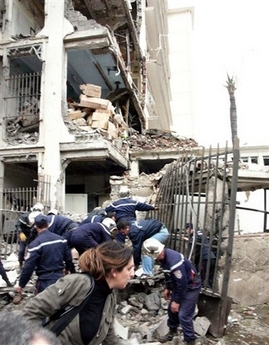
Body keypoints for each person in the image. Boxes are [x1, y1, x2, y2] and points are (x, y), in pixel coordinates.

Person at [21, 241, 134, 345]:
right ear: (114, 271)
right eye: (129, 269)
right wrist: (36, 340)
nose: (132, 274)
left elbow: (108, 334)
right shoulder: (78, 283)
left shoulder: (110, 295)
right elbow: (32, 311)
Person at [142, 238, 201, 345]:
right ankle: (172, 331)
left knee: (183, 315)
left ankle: (190, 340)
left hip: (191, 286)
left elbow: (181, 284)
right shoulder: (163, 259)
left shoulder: (174, 261)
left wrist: (177, 301)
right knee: (171, 310)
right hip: (180, 286)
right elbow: (168, 275)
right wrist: (168, 288)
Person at [17, 214, 75, 295]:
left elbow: (28, 267)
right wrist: (67, 269)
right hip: (60, 279)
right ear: (48, 224)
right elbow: (68, 258)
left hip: (44, 282)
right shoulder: (61, 240)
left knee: (42, 305)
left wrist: (21, 284)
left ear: (35, 226)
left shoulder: (35, 245)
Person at [185, 223, 216, 288]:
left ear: (188, 229)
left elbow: (196, 248)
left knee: (203, 276)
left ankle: (203, 289)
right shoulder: (201, 234)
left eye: (186, 230)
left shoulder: (194, 236)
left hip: (205, 258)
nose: (186, 232)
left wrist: (189, 240)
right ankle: (209, 288)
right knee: (209, 277)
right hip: (212, 257)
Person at [16, 202, 44, 268]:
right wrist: (20, 232)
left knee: (32, 250)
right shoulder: (24, 216)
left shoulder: (40, 217)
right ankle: (20, 263)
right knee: (21, 251)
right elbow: (18, 225)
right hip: (24, 235)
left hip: (33, 236)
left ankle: (32, 264)